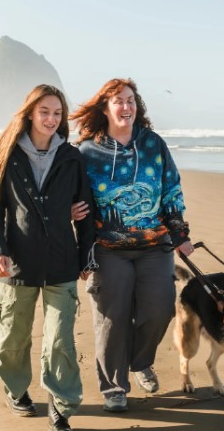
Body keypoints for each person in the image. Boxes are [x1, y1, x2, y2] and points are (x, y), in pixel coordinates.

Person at [0, 84, 95, 431]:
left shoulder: (71, 158)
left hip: (61, 263)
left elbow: (85, 212)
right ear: (29, 113)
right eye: (45, 112)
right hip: (17, 265)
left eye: (57, 113)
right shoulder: (8, 154)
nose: (51, 119)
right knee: (13, 337)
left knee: (60, 341)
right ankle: (16, 389)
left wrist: (87, 256)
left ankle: (61, 407)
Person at [70, 78, 194, 413]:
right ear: (106, 108)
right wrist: (71, 217)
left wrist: (180, 234)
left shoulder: (153, 144)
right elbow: (74, 197)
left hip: (156, 244)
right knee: (113, 316)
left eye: (130, 100)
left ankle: (140, 362)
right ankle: (114, 386)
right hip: (107, 248)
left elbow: (171, 188)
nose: (126, 107)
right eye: (118, 101)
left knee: (161, 307)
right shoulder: (86, 152)